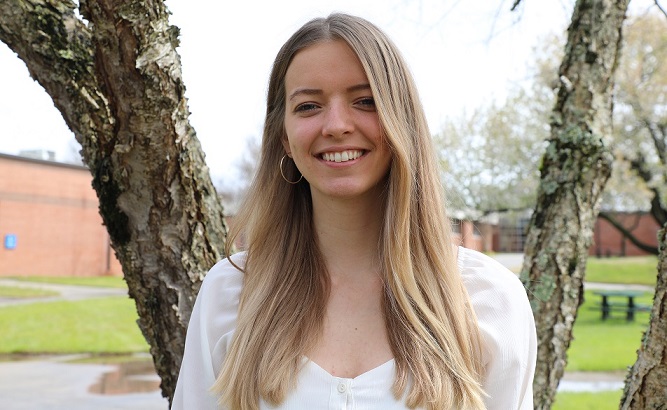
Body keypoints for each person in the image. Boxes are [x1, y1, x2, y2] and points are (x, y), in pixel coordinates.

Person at [172, 13, 536, 410]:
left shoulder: (488, 300)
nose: (336, 125)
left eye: (365, 101)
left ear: (404, 121)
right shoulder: (230, 294)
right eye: (309, 106)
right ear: (285, 139)